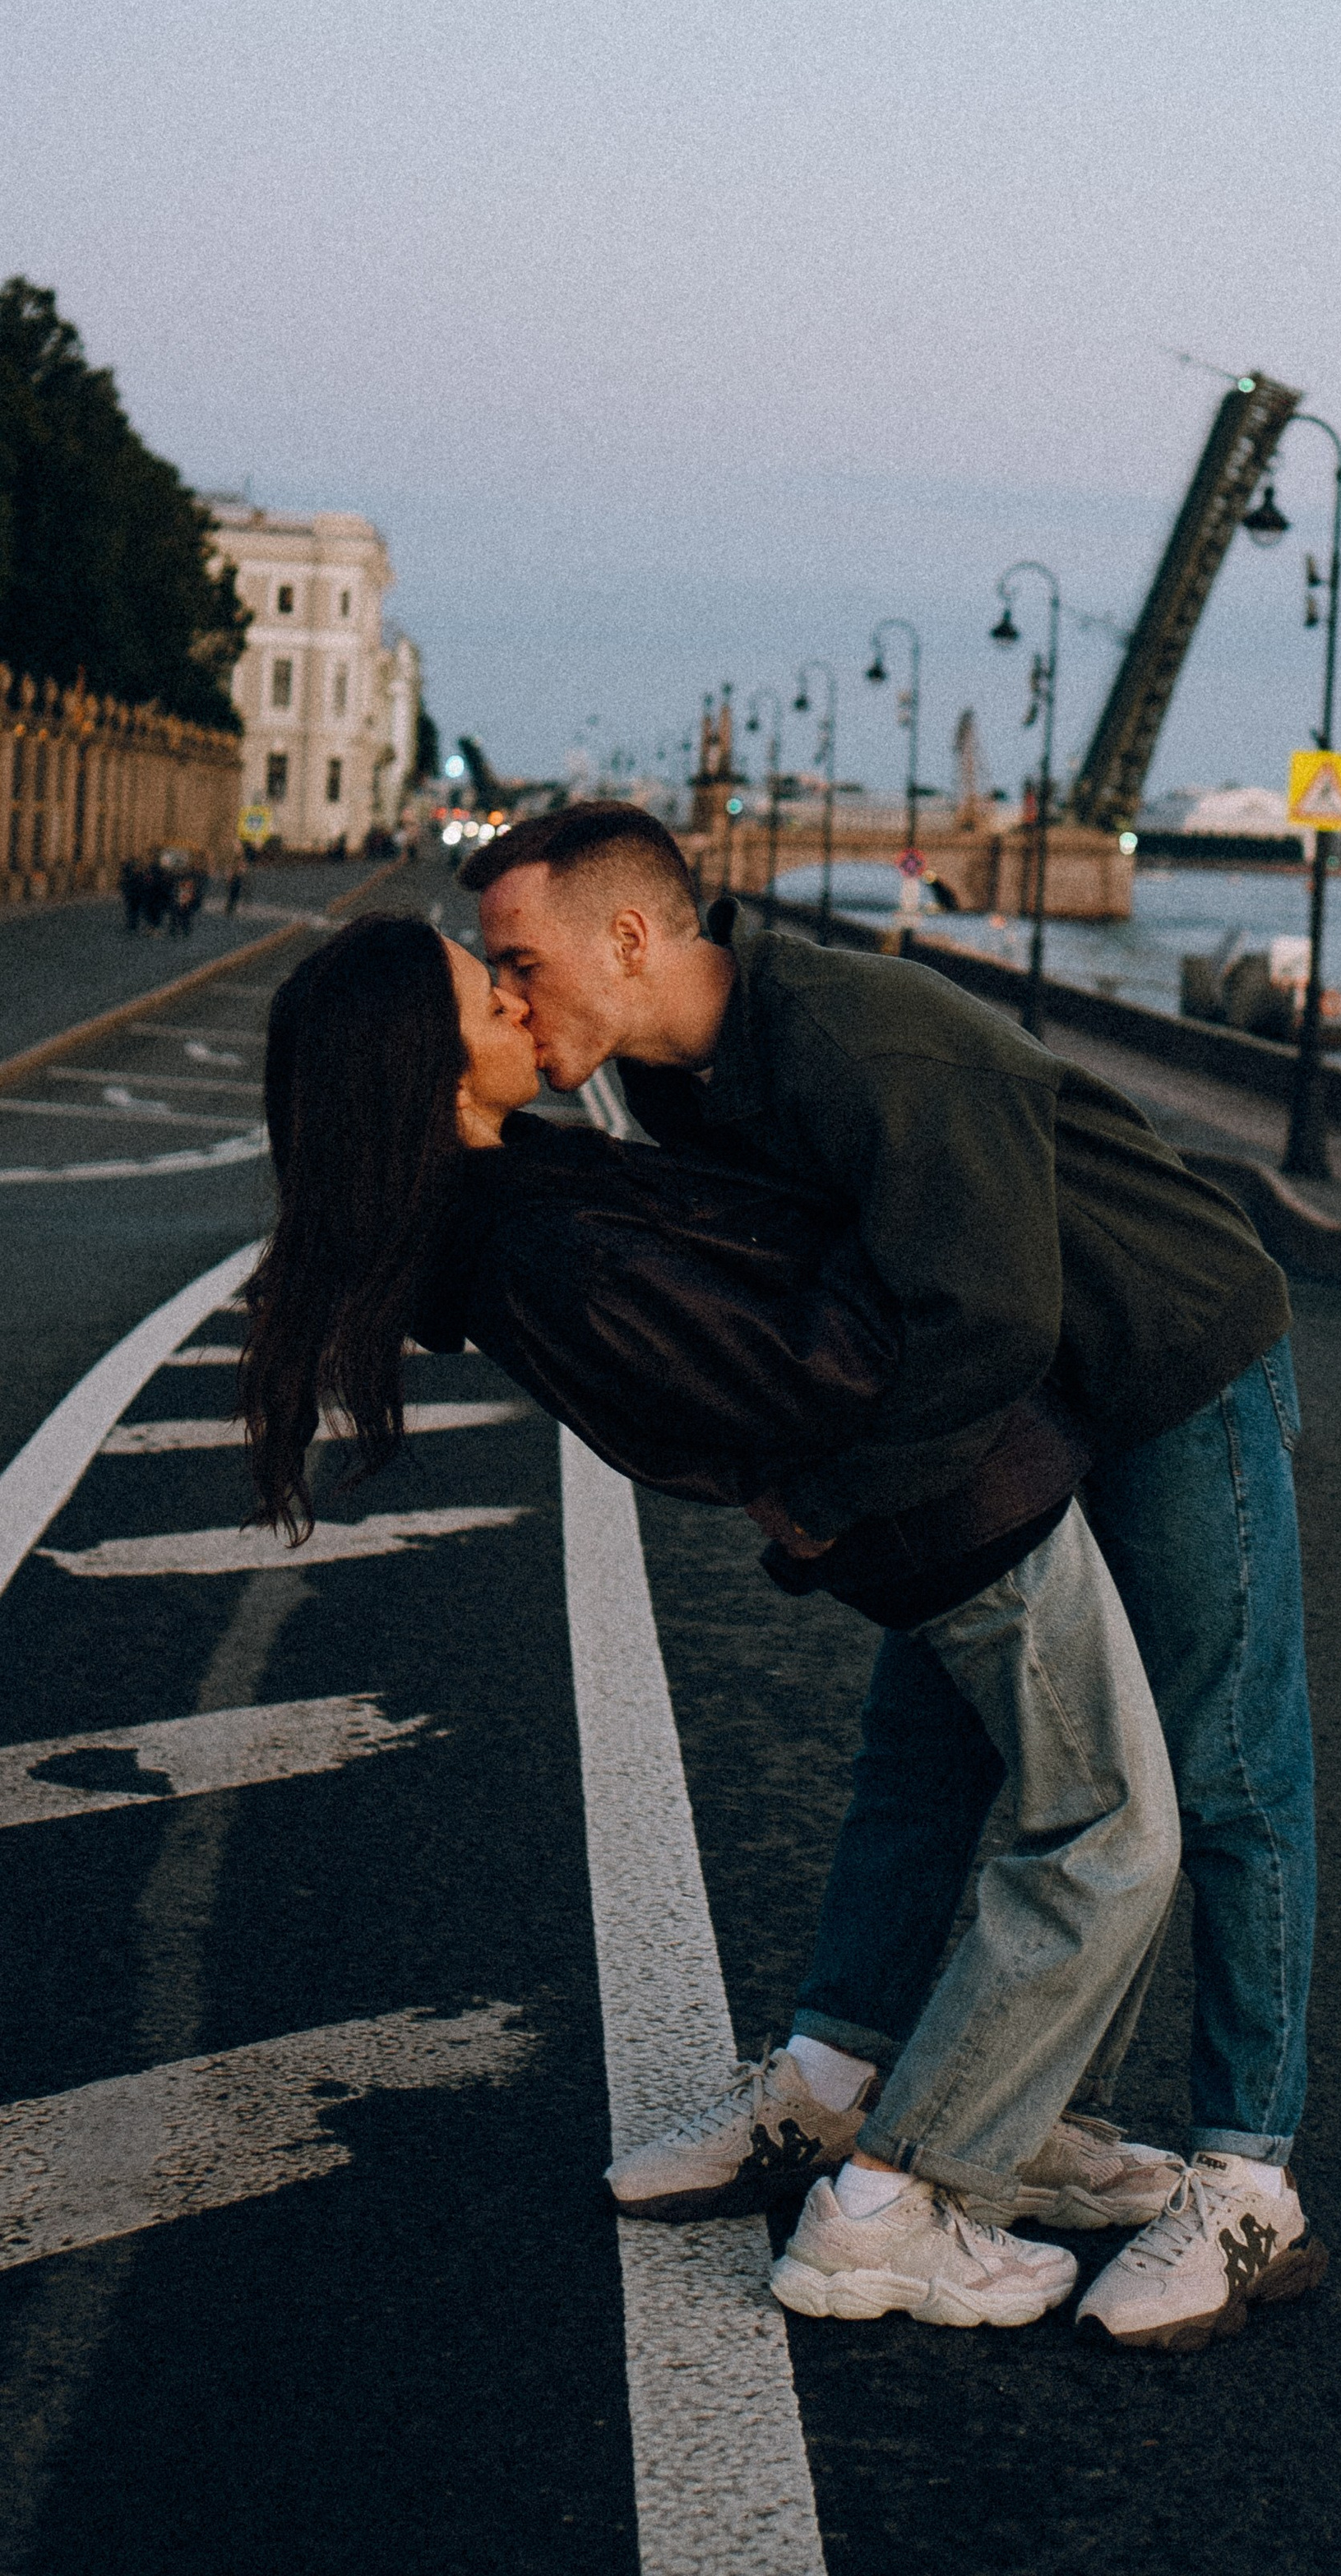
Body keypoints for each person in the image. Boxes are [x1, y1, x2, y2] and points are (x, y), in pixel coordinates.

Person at [465, 801, 1327, 2354]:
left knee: (1224, 1779)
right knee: (917, 1759)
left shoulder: (870, 1048)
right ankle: (847, 2091)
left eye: (517, 958)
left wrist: (825, 1507)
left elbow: (981, 1316)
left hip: (1162, 1356)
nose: (507, 994)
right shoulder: (679, 1085)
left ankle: (1246, 2174)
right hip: (1007, 1420)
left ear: (632, 938)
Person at [240, 914, 1181, 2333]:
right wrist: (924, 1212)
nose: (509, 991)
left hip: (950, 1505)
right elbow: (812, 1378)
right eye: (477, 986)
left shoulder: (521, 1197)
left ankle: (1009, 2119)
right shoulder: (539, 1248)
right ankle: (894, 2209)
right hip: (958, 1514)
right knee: (1107, 1837)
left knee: (1040, 1814)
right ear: (424, 1064)